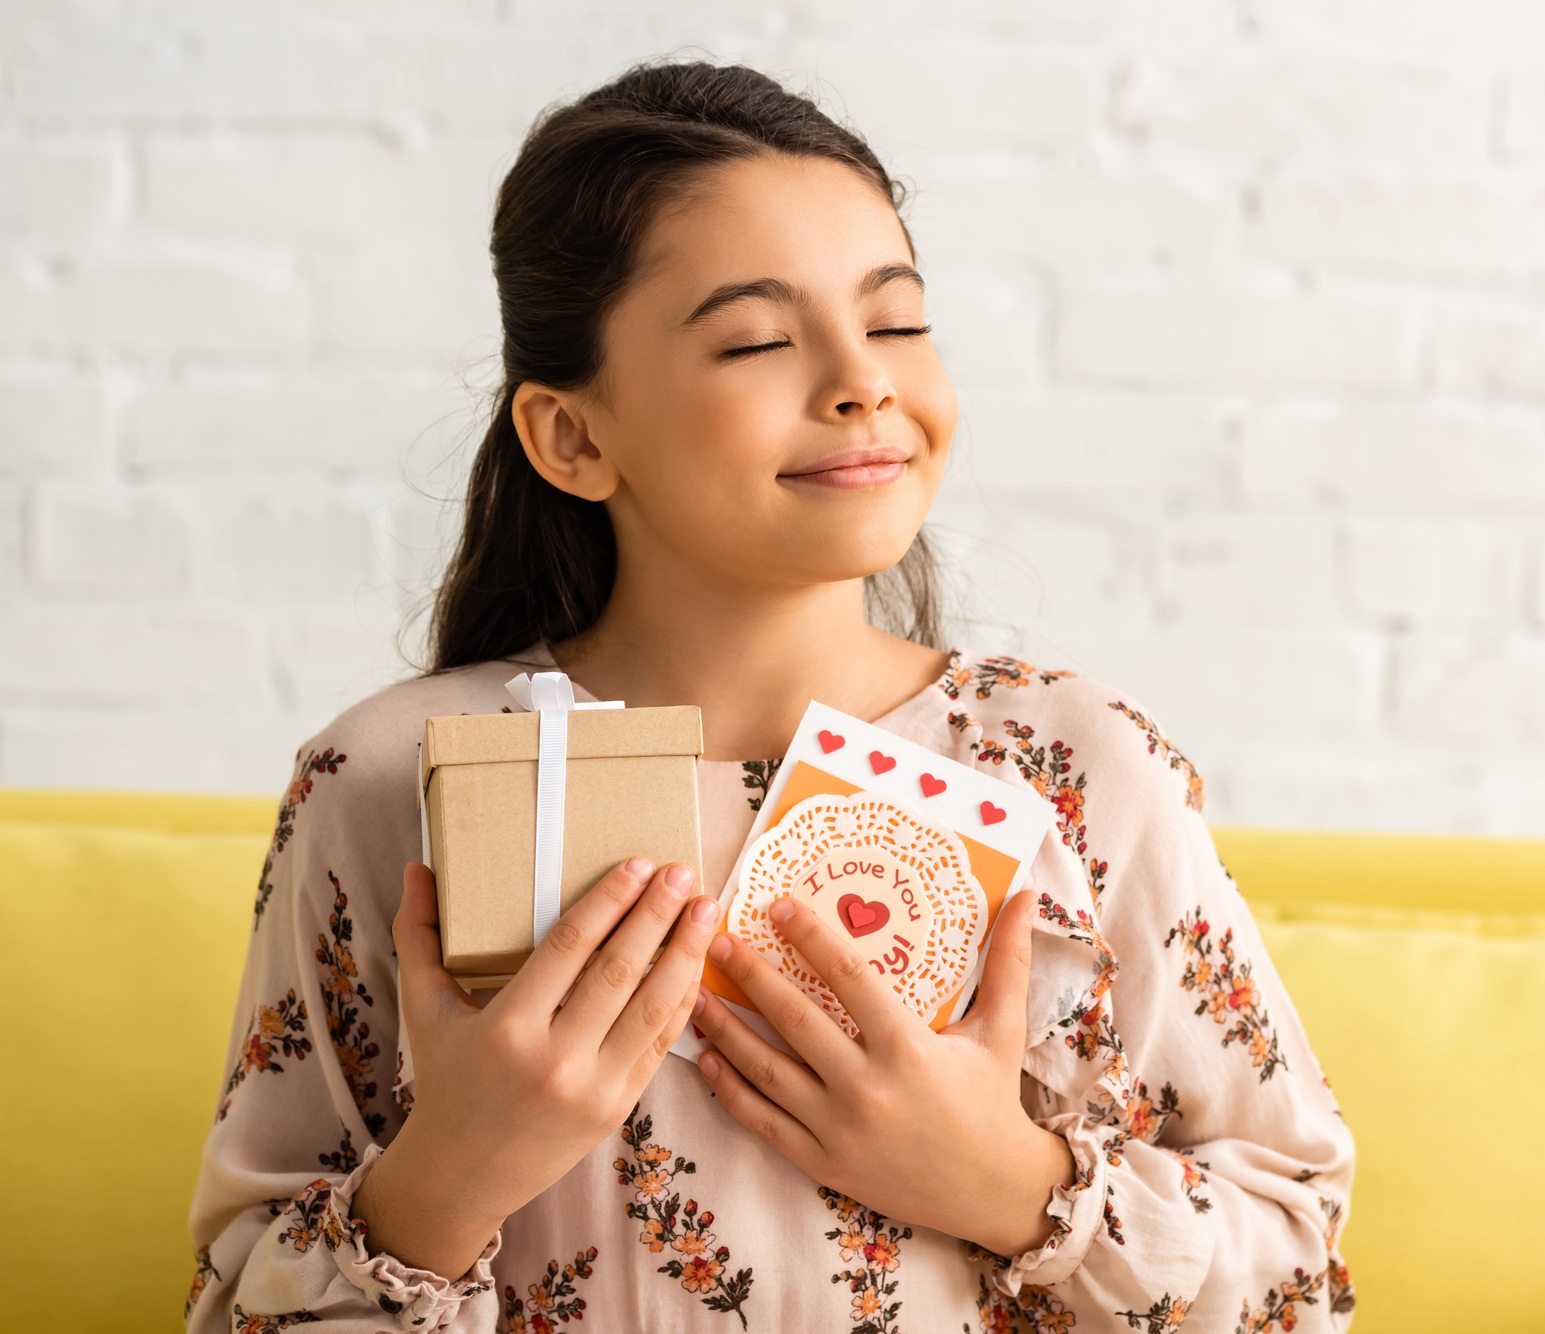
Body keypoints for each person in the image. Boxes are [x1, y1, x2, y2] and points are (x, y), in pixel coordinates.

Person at [186, 59, 1355, 1334]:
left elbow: (1299, 1272)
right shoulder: (391, 782)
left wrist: (1013, 1185)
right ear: (571, 434)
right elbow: (235, 1303)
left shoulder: (1075, 767)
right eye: (755, 339)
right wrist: (449, 1174)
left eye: (896, 321)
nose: (862, 378)